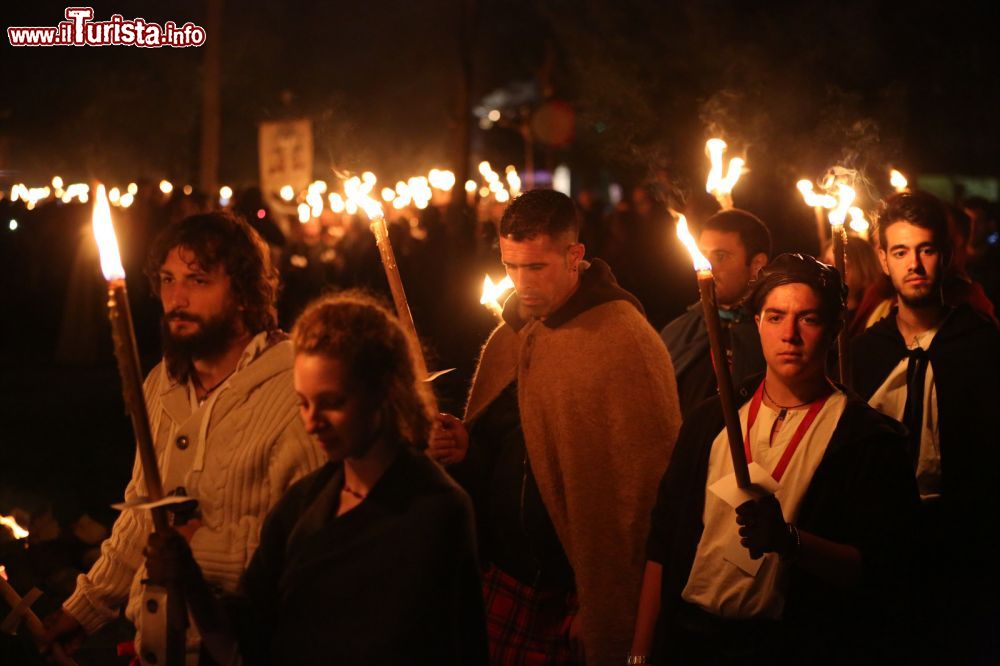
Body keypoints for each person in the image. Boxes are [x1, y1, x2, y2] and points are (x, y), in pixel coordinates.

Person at [146, 292, 488, 665]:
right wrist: (190, 580)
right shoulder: (304, 502)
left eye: (332, 403)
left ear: (383, 392)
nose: (311, 422)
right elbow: (244, 640)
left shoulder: (433, 510)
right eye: (304, 403)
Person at [43, 213, 325, 661]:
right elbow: (143, 512)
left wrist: (198, 552)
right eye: (168, 279)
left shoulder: (297, 392)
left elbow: (306, 547)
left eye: (198, 280)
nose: (177, 298)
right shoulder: (161, 383)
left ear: (245, 293)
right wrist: (86, 607)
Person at [430, 189, 682, 665]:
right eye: (511, 266)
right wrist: (468, 447)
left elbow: (642, 497)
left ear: (574, 256)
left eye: (536, 268)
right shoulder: (512, 334)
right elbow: (511, 446)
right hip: (503, 576)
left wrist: (603, 603)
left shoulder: (624, 341)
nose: (521, 284)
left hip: (571, 593)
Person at [631, 253, 919, 664]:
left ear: (835, 328)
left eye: (808, 318)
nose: (790, 334)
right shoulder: (711, 419)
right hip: (690, 643)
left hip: (786, 647)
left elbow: (881, 569)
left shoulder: (867, 440)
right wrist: (639, 655)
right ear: (757, 323)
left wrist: (790, 541)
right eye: (775, 316)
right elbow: (662, 542)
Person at [852, 191, 1000, 661]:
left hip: (963, 546)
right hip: (878, 543)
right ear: (882, 259)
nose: (913, 264)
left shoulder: (981, 345)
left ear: (947, 255)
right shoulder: (862, 353)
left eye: (926, 249)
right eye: (900, 251)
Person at [661, 209, 770, 417]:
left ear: (757, 265)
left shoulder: (776, 333)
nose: (708, 267)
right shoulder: (679, 331)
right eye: (702, 255)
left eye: (721, 256)